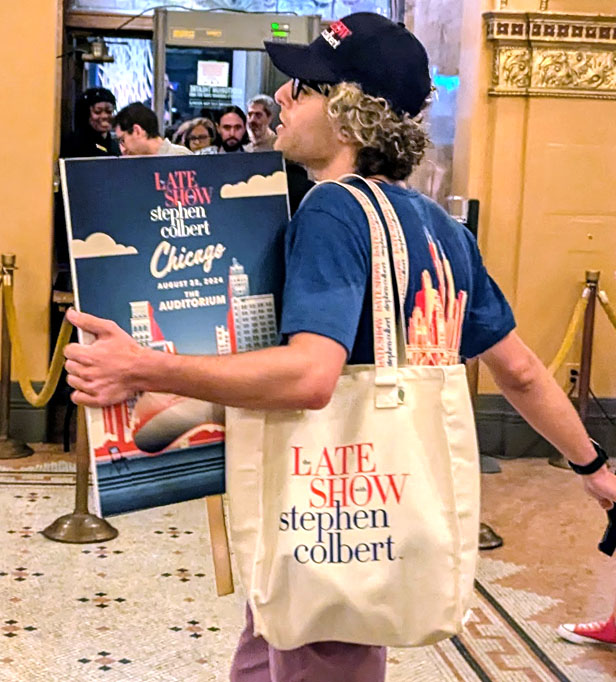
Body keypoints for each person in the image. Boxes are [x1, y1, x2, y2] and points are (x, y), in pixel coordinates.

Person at [63, 12, 616, 681]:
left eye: (306, 85)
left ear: (351, 111)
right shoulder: (440, 227)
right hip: (376, 508)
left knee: (308, 645)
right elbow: (521, 371)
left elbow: (311, 376)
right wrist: (593, 468)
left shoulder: (330, 212)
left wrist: (143, 367)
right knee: (277, 644)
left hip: (325, 507)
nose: (285, 98)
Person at [113, 102, 193, 156]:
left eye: (123, 140)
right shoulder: (134, 165)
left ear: (137, 131)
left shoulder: (181, 157)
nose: (122, 150)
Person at [61, 87, 120, 157]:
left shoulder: (115, 145)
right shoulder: (74, 144)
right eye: (97, 112)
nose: (104, 116)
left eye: (109, 111)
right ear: (86, 114)